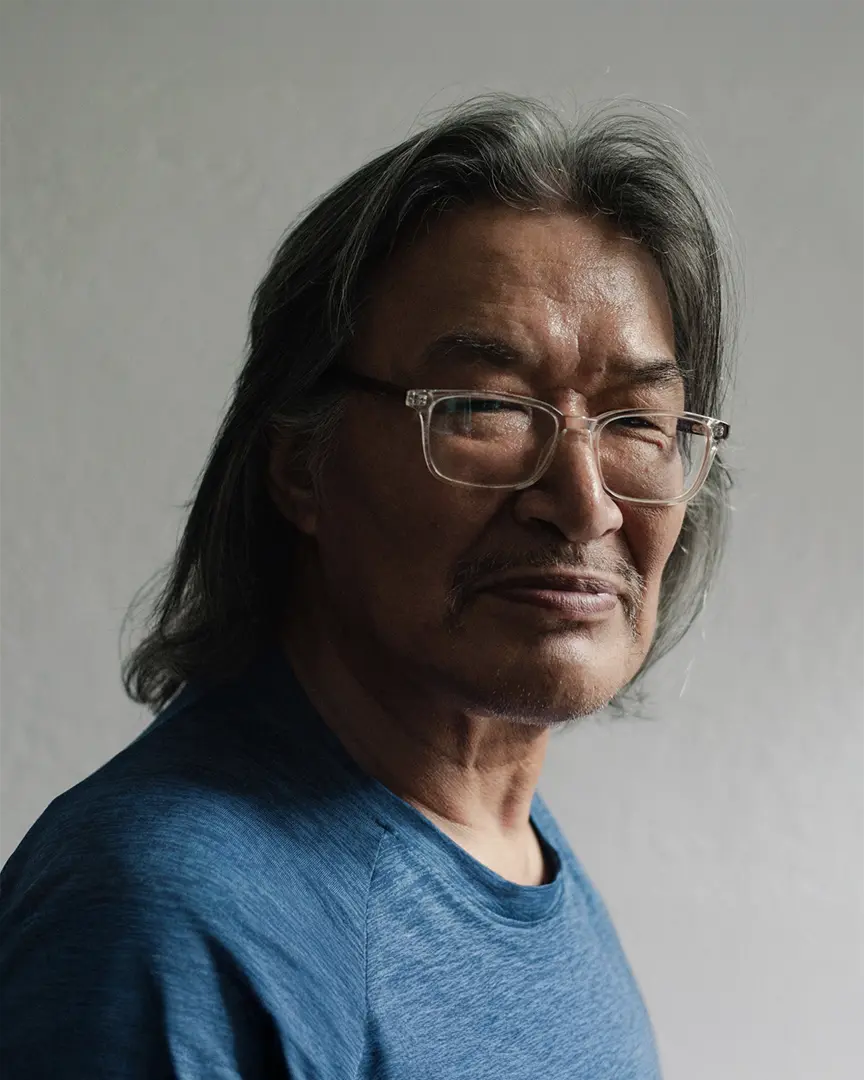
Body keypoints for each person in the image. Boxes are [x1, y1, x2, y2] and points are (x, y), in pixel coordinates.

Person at [0, 94, 735, 1079]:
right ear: (302, 464)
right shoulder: (165, 920)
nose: (585, 503)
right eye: (486, 407)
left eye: (639, 422)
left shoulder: (505, 843)